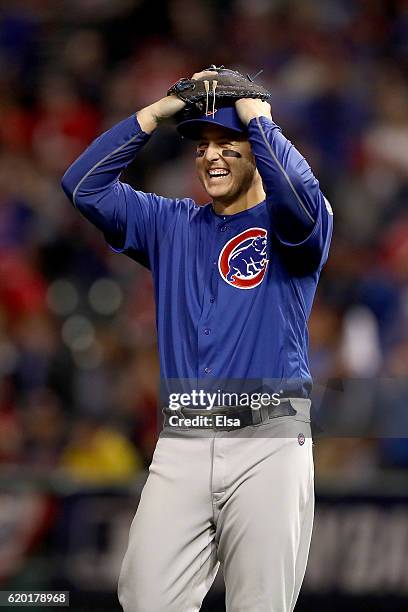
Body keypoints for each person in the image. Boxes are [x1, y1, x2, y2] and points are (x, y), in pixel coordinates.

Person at [62, 68, 333, 612]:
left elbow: (301, 192)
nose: (211, 156)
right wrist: (156, 112)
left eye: (227, 143)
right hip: (182, 440)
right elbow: (83, 184)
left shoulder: (294, 224)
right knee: (143, 596)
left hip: (267, 442)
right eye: (203, 145)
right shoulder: (171, 224)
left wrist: (258, 118)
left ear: (255, 149)